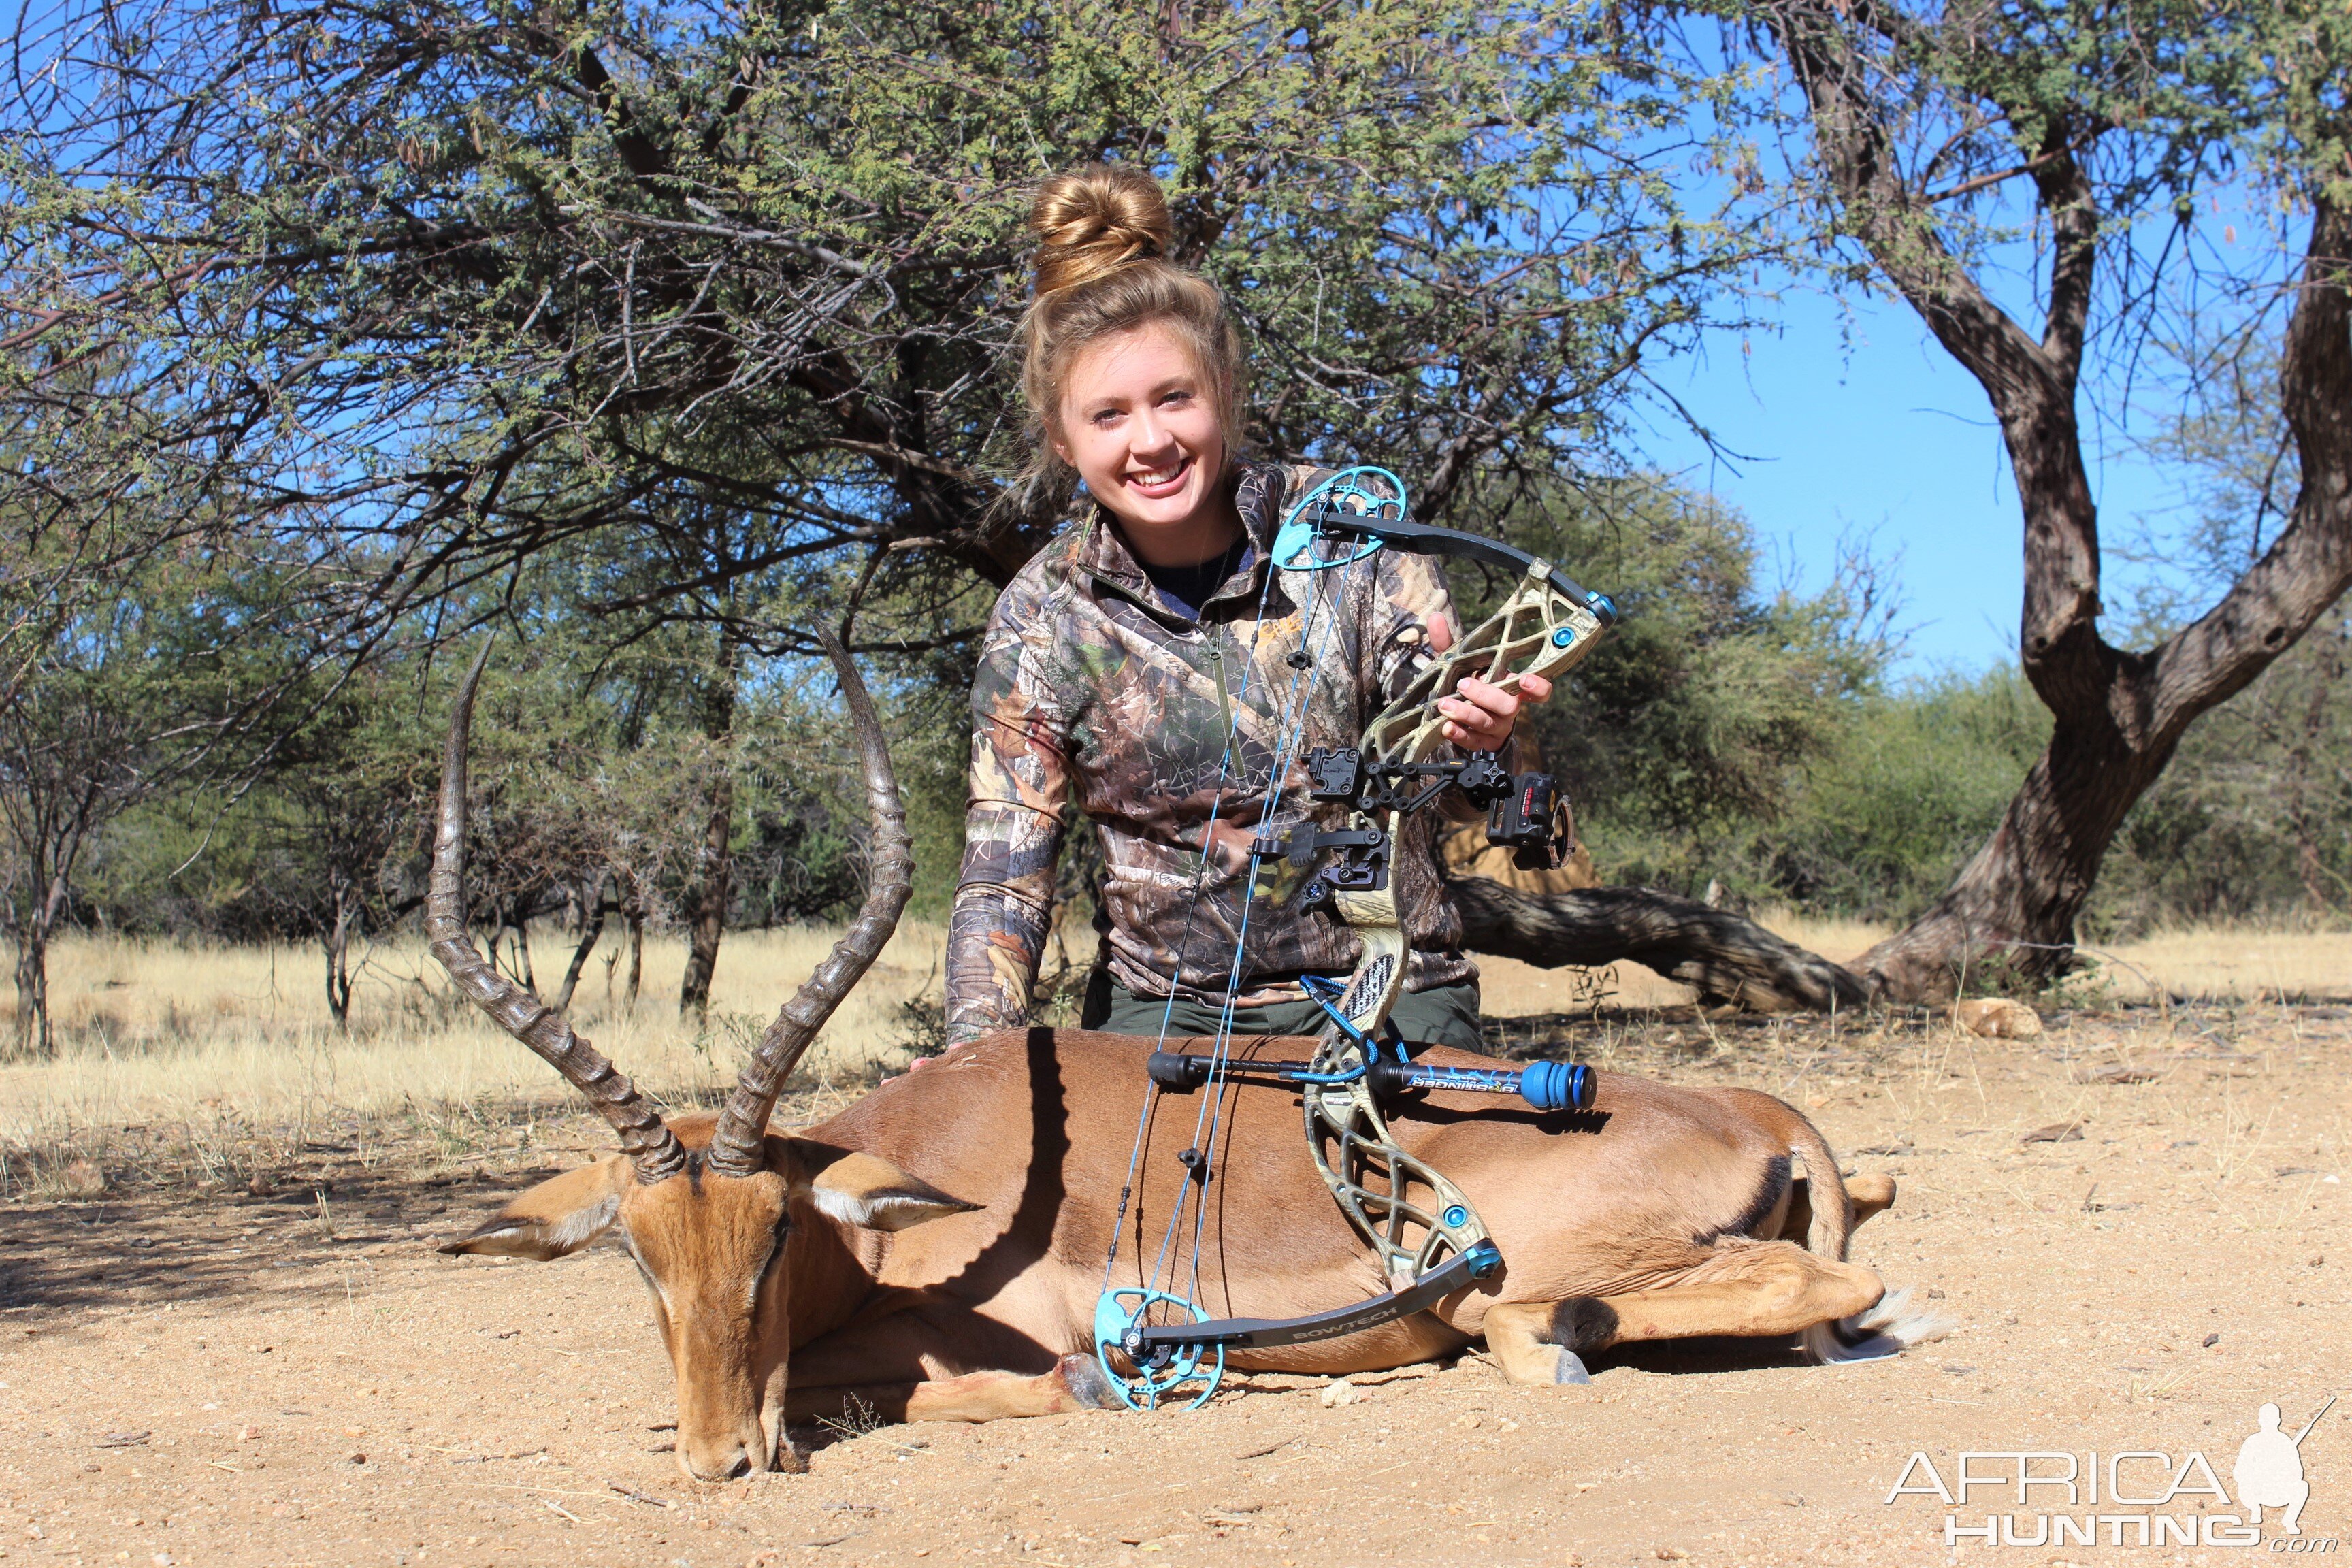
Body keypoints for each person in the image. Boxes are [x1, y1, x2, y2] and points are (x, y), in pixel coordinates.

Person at [942, 164, 1552, 1053]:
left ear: (1224, 391)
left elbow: (1466, 796)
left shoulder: (1356, 540)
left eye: (1174, 399)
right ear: (1062, 438)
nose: (1150, 441)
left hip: (1389, 986)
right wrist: (976, 1063)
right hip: (1165, 1014)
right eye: (1107, 415)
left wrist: (1487, 743)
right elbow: (1004, 876)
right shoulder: (1042, 612)